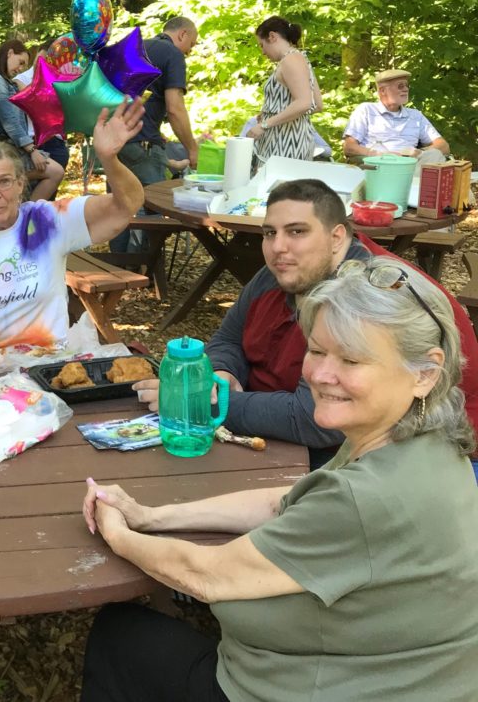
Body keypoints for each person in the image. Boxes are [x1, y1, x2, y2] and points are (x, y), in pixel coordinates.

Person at [81, 256, 478, 701]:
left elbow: (205, 575)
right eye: (317, 350)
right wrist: (151, 516)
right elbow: (290, 501)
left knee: (119, 635)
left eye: (351, 359)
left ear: (425, 373)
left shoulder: (368, 498)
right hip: (401, 674)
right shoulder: (417, 441)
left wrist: (117, 533)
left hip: (319, 688)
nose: (321, 375)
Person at [133, 179, 478, 470]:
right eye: (270, 233)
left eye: (297, 232)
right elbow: (227, 339)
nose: (278, 248)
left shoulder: (369, 294)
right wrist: (220, 376)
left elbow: (318, 420)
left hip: (420, 454)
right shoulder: (285, 271)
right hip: (299, 441)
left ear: (337, 237)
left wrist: (198, 401)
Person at [0, 99, 146, 377]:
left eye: (4, 181)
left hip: (49, 367)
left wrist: (109, 159)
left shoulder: (48, 220)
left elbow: (126, 205)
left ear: (21, 183)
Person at [109, 16, 199, 254]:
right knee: (153, 210)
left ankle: (116, 265)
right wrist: (192, 148)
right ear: (182, 35)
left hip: (114, 142)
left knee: (119, 205)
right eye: (192, 44)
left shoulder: (135, 47)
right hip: (142, 145)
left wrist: (155, 130)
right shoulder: (172, 54)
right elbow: (174, 107)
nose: (190, 51)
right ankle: (145, 274)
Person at [0, 39, 65, 201]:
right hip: (1, 149)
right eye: (20, 62)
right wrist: (32, 151)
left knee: (16, 191)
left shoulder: (3, 81)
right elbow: (9, 120)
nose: (21, 68)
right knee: (55, 172)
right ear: (9, 53)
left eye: (24, 65)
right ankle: (26, 217)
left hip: (10, 148)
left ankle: (23, 216)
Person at [245, 16, 323, 164]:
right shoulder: (301, 59)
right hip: (295, 138)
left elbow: (304, 103)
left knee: (278, 186)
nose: (262, 52)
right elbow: (317, 104)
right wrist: (272, 111)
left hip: (285, 144)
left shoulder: (290, 60)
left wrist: (266, 123)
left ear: (272, 37)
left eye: (261, 45)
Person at [342, 69, 450, 160]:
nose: (406, 89)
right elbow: (349, 147)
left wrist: (419, 152)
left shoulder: (416, 116)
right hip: (379, 164)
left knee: (435, 155)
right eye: (400, 86)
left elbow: (443, 146)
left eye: (406, 85)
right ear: (383, 91)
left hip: (411, 163)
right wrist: (381, 155)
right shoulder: (366, 110)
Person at [13, 35, 74, 170]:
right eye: (39, 59)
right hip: (32, 142)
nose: (40, 64)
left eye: (47, 61)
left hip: (56, 142)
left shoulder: (63, 80)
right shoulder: (20, 80)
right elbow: (36, 107)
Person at [241, 115, 332, 160]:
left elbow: (327, 151)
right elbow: (241, 148)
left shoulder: (301, 124)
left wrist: (310, 147)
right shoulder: (256, 121)